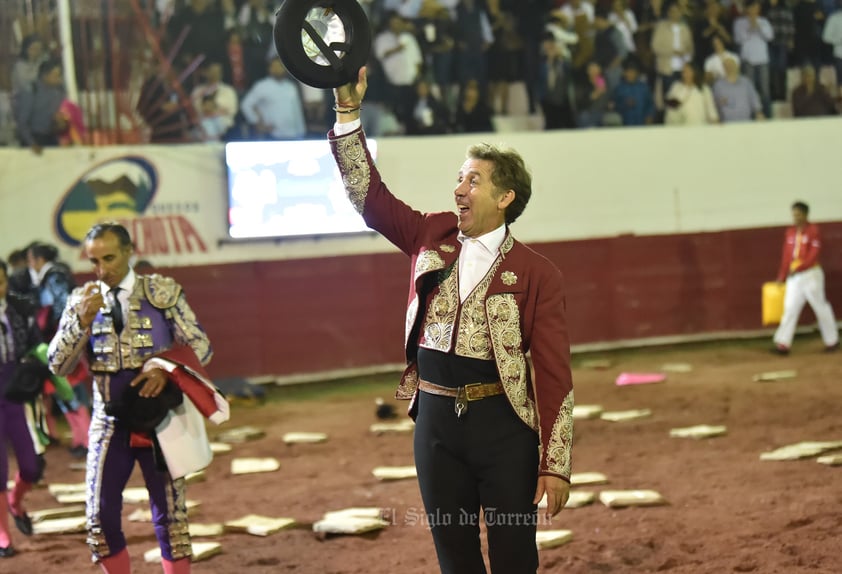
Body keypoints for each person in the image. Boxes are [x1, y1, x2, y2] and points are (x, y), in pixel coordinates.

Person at [328, 67, 574, 574]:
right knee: (454, 559)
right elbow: (367, 198)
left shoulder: (536, 274)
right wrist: (348, 113)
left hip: (504, 428)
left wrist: (556, 464)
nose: (459, 187)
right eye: (459, 177)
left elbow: (553, 376)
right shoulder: (429, 235)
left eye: (473, 179)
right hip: (435, 424)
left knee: (513, 558)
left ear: (505, 197)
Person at [47, 222, 227, 574]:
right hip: (108, 420)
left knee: (171, 518)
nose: (102, 269)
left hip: (160, 418)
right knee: (98, 519)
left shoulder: (162, 292)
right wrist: (80, 324)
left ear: (130, 252)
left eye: (110, 258)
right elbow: (57, 363)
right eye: (94, 261)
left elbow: (201, 346)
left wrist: (165, 369)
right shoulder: (81, 301)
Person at [27, 242, 91, 458]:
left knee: (71, 391)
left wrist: (59, 335)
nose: (30, 264)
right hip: (61, 341)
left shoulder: (53, 277)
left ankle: (86, 440)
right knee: (66, 392)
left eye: (31, 259)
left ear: (38, 260)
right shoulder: (55, 275)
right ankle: (82, 438)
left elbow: (63, 307)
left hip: (62, 342)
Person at [0, 260, 44, 558]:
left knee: (31, 465)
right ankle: (2, 534)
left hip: (14, 391)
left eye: (0, 282)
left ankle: (16, 501)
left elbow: (37, 347)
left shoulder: (20, 310)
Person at [772, 202, 839, 355]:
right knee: (790, 308)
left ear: (805, 215)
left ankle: (832, 340)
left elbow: (813, 254)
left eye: (798, 214)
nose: (795, 217)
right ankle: (783, 343)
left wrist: (799, 268)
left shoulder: (813, 231)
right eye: (793, 214)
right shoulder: (790, 233)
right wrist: (782, 275)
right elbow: (786, 256)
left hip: (811, 275)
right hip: (794, 276)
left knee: (820, 306)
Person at [713, 55, 764, 121]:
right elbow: (714, 105)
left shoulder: (746, 82)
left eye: (732, 65)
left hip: (746, 123)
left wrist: (758, 113)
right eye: (727, 66)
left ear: (737, 66)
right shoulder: (718, 85)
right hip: (727, 125)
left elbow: (754, 98)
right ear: (724, 68)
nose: (730, 67)